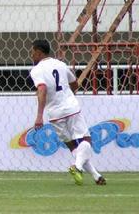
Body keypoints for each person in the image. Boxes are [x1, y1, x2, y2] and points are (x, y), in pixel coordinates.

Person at [29, 39, 106, 185]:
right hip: (71, 108)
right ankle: (77, 167)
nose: (31, 55)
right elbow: (75, 83)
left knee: (71, 145)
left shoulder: (36, 70)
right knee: (86, 140)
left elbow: (42, 89)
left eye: (32, 52)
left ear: (39, 52)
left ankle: (96, 176)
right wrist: (67, 96)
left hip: (54, 114)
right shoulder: (61, 64)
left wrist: (39, 116)